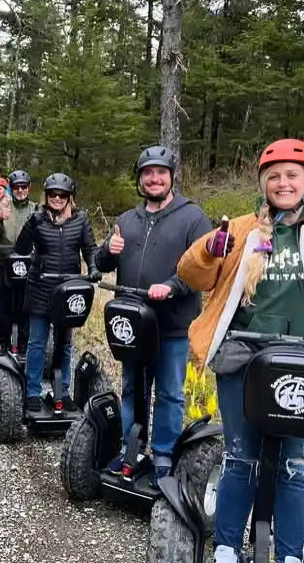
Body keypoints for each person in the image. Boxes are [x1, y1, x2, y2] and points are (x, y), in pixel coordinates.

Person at [176, 139, 304, 563]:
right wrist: (209, 253)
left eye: (292, 175)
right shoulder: (243, 229)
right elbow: (191, 272)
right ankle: (227, 547)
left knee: (297, 466)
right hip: (242, 360)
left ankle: (290, 555)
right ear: (263, 182)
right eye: (274, 176)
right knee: (240, 458)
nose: (283, 183)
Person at [95, 145, 213, 488]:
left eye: (161, 172)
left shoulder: (193, 218)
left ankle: (164, 454)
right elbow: (101, 264)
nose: (154, 178)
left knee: (170, 393)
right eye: (148, 173)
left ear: (171, 177)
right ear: (140, 179)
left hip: (172, 323)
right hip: (132, 322)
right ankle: (132, 448)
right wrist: (106, 251)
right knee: (132, 387)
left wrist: (173, 286)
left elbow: (203, 269)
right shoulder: (127, 220)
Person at [13, 173, 101, 413]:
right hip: (41, 286)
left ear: (69, 197)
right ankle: (32, 392)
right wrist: (30, 226)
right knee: (38, 342)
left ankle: (61, 390)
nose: (57, 198)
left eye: (62, 195)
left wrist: (93, 267)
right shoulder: (38, 219)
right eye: (53, 194)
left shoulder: (80, 219)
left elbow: (89, 248)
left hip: (69, 291)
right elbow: (20, 249)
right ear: (46, 196)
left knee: (64, 344)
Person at [0, 170, 37, 355]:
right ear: (12, 188)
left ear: (29, 188)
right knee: (4, 304)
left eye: (24, 187)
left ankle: (24, 344)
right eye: (17, 187)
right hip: (5, 261)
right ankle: (2, 342)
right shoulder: (1, 206)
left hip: (28, 264)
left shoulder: (35, 209)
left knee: (26, 306)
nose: (20, 190)